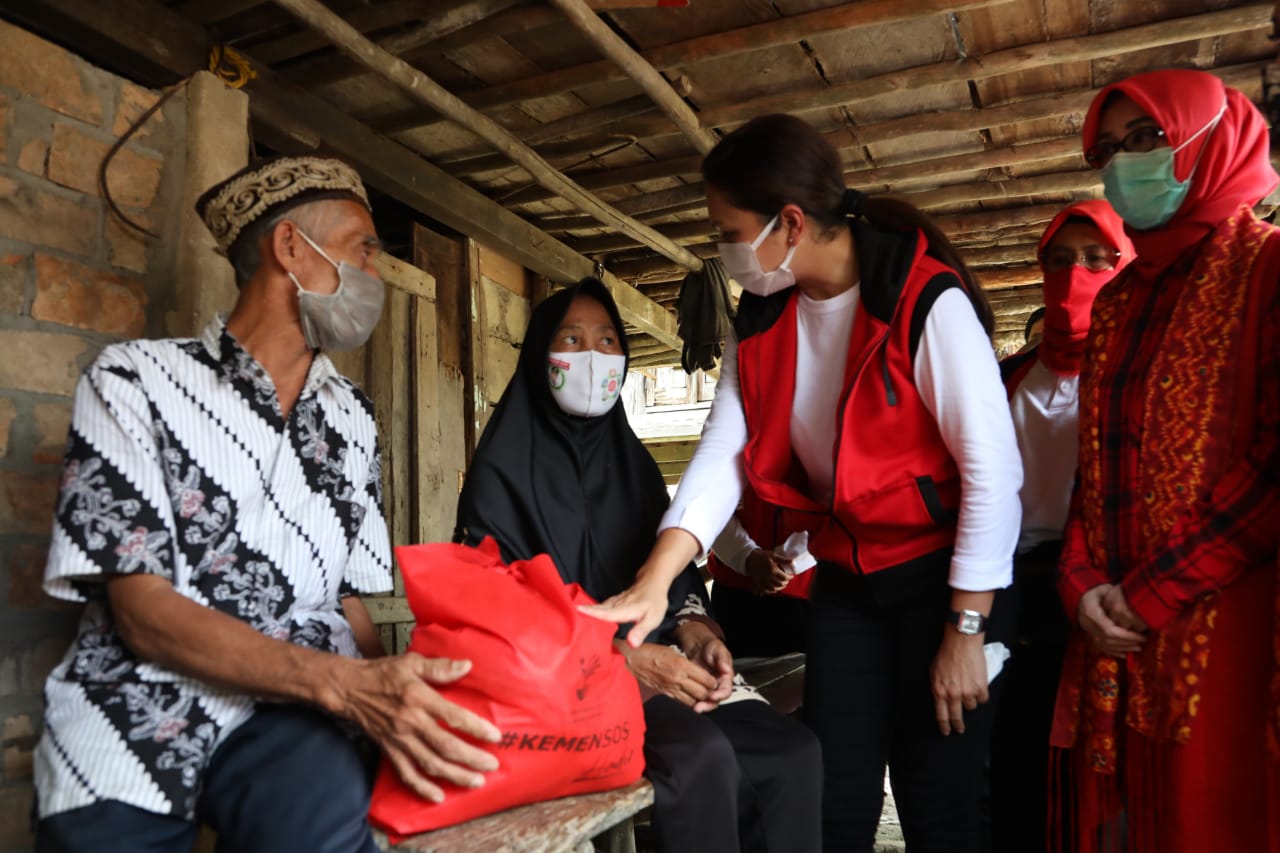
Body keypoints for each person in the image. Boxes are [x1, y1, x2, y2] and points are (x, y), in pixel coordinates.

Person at [32, 156, 501, 853]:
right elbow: (141, 612)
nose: (375, 275)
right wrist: (347, 684)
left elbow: (351, 604)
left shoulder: (351, 418)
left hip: (294, 720)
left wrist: (386, 706)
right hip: (133, 705)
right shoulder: (133, 381)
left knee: (322, 816)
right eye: (363, 251)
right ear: (290, 248)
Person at [584, 114, 1023, 853]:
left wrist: (966, 628)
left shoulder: (922, 302)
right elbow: (725, 449)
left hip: (945, 582)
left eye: (728, 231)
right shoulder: (762, 317)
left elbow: (993, 473)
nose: (723, 250)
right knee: (834, 794)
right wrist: (658, 579)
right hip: (849, 580)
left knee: (939, 797)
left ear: (789, 223)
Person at [454, 277, 823, 853]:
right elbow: (499, 613)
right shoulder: (499, 476)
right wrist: (625, 659)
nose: (592, 358)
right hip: (560, 682)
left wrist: (697, 633)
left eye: (606, 341)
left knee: (793, 754)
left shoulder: (635, 468)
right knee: (700, 759)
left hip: (662, 665)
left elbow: (674, 580)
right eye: (571, 341)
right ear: (537, 358)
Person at [1049, 69, 1280, 853]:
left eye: (1146, 138)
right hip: (1113, 620)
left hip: (1226, 620)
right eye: (1108, 149)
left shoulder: (1269, 269)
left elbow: (1274, 465)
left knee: (1216, 814)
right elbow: (1093, 464)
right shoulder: (1117, 301)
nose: (1124, 164)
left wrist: (1153, 591)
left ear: (1211, 140)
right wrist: (1081, 585)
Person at [988, 200, 1134, 853]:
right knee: (1013, 755)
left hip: (1105, 593)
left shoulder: (1135, 382)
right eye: (1059, 259)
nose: (1076, 274)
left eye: (1097, 259)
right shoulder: (1003, 381)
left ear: (1124, 266)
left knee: (1094, 769)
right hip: (1007, 589)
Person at [706, 487, 812, 659]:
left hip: (808, 590)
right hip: (735, 592)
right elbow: (708, 501)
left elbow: (838, 505)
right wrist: (746, 555)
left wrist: (785, 564)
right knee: (732, 675)